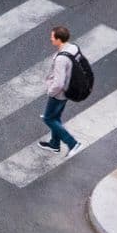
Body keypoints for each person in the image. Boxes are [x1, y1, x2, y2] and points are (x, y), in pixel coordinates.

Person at [36, 24, 81, 153]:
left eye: (52, 37)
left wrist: (51, 92)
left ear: (58, 39)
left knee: (48, 118)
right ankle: (55, 144)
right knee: (55, 117)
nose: (51, 39)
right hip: (69, 90)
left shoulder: (61, 58)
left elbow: (59, 83)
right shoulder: (73, 48)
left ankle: (72, 143)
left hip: (59, 93)